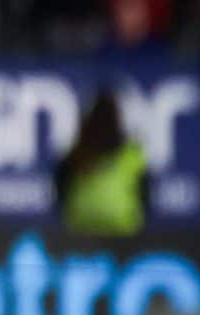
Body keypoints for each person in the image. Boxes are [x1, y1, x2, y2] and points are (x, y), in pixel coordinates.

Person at [54, 93, 150, 238]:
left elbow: (60, 185)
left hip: (80, 225)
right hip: (122, 225)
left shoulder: (77, 150)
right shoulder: (131, 153)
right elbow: (145, 191)